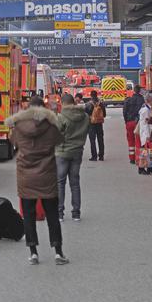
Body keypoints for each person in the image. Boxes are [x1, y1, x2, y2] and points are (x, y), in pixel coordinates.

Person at [5, 95, 68, 265]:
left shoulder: (19, 126)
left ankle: (33, 252)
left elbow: (13, 142)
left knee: (28, 215)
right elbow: (59, 140)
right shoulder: (50, 126)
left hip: (26, 176)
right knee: (52, 215)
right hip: (47, 175)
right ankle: (58, 252)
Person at [56, 93, 90, 222]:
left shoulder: (61, 117)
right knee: (75, 183)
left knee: (60, 183)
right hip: (77, 152)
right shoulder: (85, 116)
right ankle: (76, 213)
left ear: (63, 103)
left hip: (63, 152)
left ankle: (59, 213)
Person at [137, 92, 152, 175]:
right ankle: (141, 168)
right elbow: (145, 124)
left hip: (149, 132)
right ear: (151, 100)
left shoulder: (148, 108)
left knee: (150, 151)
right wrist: (147, 136)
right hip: (146, 133)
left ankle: (150, 167)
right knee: (144, 151)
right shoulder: (146, 110)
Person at [122, 84, 145, 164]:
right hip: (138, 123)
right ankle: (139, 159)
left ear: (134, 90)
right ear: (140, 91)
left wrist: (126, 121)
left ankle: (132, 159)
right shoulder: (142, 100)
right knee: (139, 142)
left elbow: (124, 112)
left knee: (131, 141)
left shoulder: (128, 100)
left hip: (129, 122)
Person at [85, 90, 106, 161]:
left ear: (91, 95)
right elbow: (104, 115)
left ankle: (94, 156)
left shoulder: (88, 104)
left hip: (91, 124)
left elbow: (85, 115)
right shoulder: (101, 104)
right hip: (99, 123)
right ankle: (101, 156)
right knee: (100, 139)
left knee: (92, 140)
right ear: (96, 95)